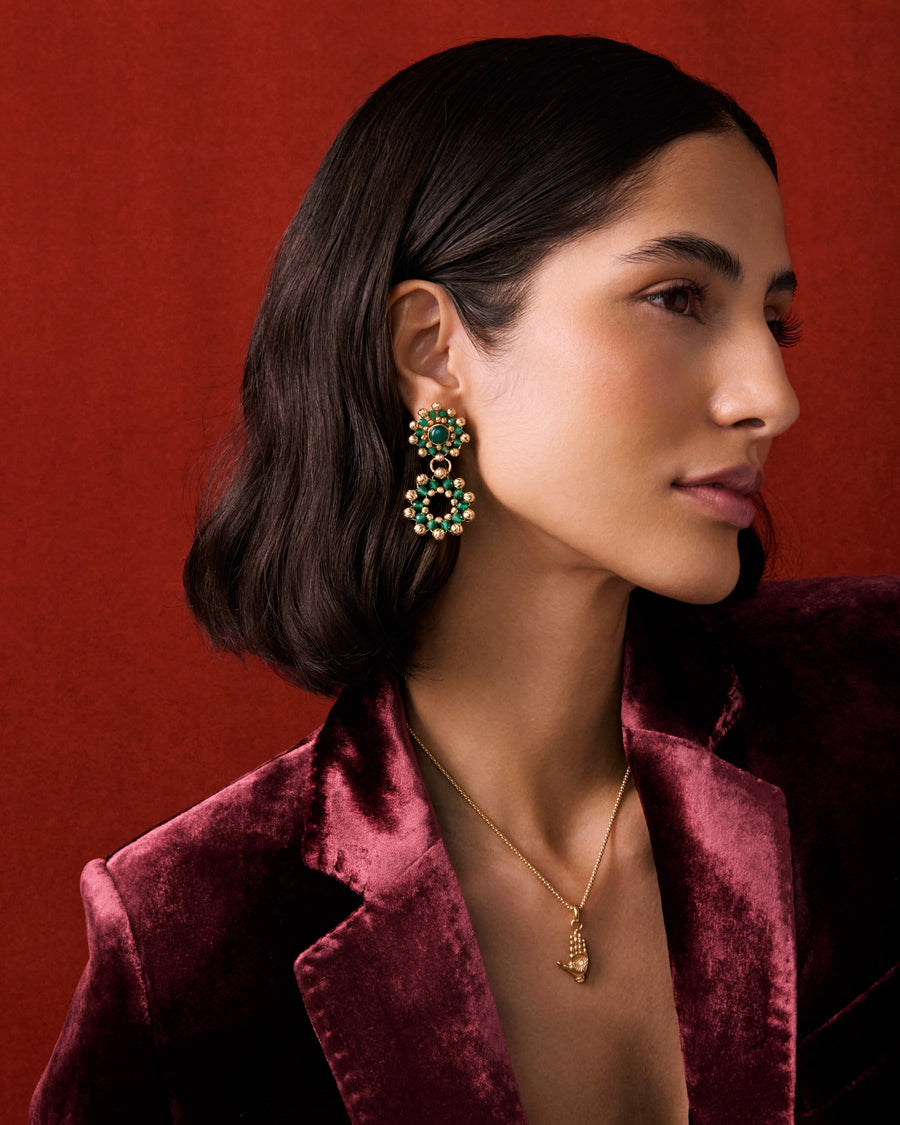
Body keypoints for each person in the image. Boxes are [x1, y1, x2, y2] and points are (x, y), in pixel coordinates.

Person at [30, 35, 897, 1125]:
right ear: (434, 351)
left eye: (776, 321)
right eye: (679, 297)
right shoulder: (194, 937)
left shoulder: (877, 703)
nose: (772, 396)